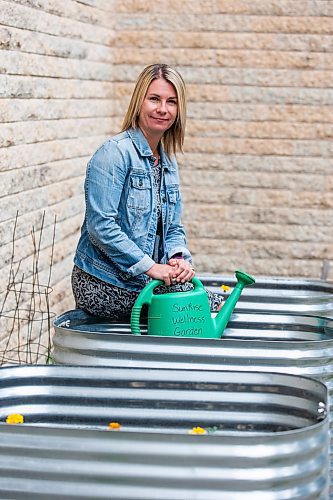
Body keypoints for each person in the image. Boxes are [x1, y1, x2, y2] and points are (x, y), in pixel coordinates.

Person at [72, 63, 223, 320]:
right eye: (154, 99)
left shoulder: (167, 162)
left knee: (211, 302)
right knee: (196, 309)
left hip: (142, 280)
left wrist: (177, 259)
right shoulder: (114, 153)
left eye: (171, 102)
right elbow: (101, 227)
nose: (163, 109)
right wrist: (152, 268)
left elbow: (173, 227)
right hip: (102, 281)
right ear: (139, 102)